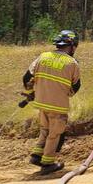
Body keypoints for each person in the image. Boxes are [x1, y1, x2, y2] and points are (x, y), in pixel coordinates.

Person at [22, 30, 81, 175]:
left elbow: (27, 78)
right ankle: (48, 163)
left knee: (45, 130)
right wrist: (66, 93)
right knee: (55, 134)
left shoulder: (43, 57)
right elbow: (75, 86)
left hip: (42, 104)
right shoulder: (72, 63)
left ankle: (37, 156)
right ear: (72, 46)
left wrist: (31, 94)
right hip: (58, 106)